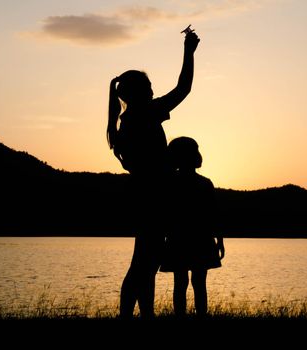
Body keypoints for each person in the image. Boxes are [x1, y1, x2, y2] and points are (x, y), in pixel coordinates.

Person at [107, 29, 200, 318]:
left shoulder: (127, 121)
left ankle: (145, 315)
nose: (152, 91)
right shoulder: (143, 114)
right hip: (153, 198)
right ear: (136, 93)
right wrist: (188, 52)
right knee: (143, 264)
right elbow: (183, 89)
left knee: (145, 262)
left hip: (143, 196)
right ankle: (129, 316)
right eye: (148, 87)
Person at [160, 136, 225, 317]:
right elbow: (214, 215)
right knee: (196, 282)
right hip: (198, 239)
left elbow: (213, 214)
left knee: (182, 282)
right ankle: (199, 317)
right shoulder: (203, 183)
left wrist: (219, 239)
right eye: (195, 150)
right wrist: (219, 240)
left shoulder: (171, 182)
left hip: (181, 238)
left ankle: (184, 316)